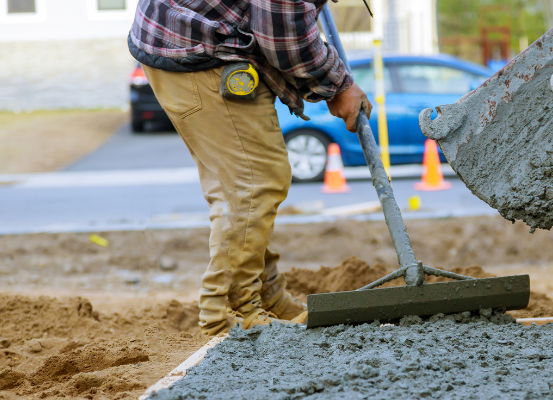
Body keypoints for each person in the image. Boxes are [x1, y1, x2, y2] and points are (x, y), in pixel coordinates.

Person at [128, 0, 373, 335]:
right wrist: (338, 84)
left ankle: (265, 296)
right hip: (199, 48)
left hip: (189, 37)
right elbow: (283, 35)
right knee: (253, 185)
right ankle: (233, 313)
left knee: (244, 185)